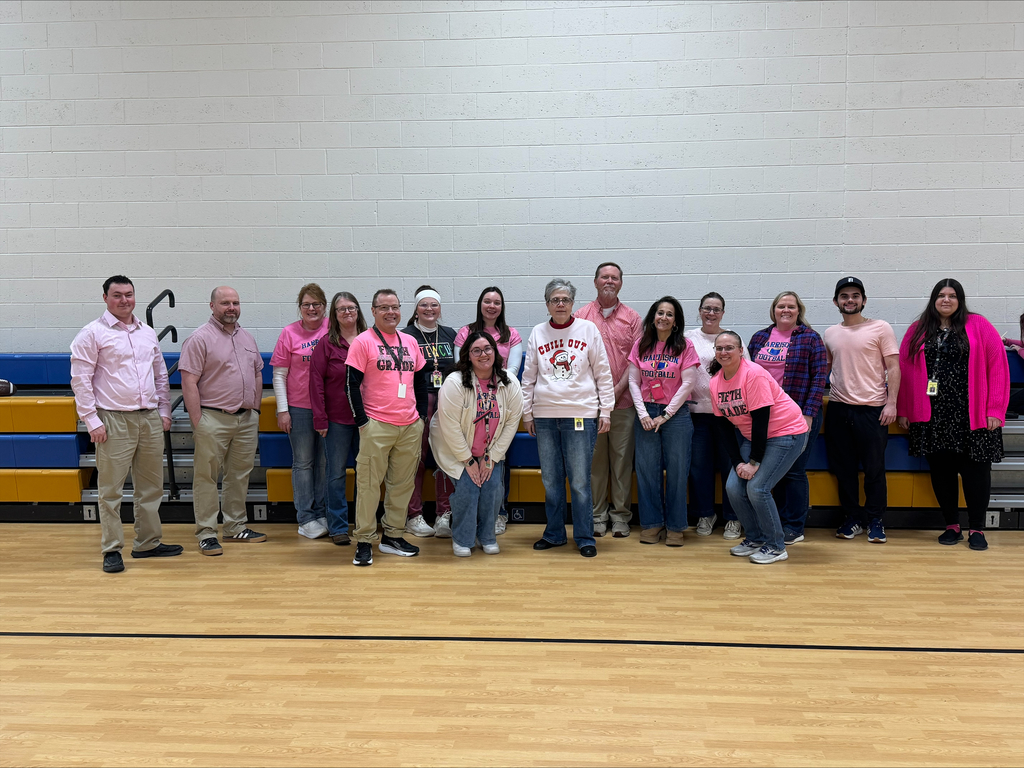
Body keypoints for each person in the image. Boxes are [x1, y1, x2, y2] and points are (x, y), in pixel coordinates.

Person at [70, 275, 182, 573]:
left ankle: (147, 543)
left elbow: (160, 374)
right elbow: (80, 381)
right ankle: (111, 549)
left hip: (148, 419)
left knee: (150, 487)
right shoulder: (92, 334)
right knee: (111, 490)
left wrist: (164, 410)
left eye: (129, 294)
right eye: (117, 295)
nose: (124, 300)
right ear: (105, 298)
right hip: (112, 419)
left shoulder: (146, 333)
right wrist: (91, 420)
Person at [897, 279, 1009, 551]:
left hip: (974, 414)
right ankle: (951, 525)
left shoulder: (979, 325)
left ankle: (977, 528)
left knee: (977, 473)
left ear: (960, 300)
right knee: (942, 472)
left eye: (952, 295)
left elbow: (998, 366)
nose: (946, 300)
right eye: (941, 295)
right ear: (933, 299)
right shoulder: (918, 329)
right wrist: (904, 409)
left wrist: (994, 408)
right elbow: (904, 370)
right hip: (933, 415)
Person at [522, 278, 615, 558]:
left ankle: (585, 536)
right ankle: (554, 534)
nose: (560, 304)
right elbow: (528, 378)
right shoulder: (538, 332)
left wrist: (606, 410)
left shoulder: (588, 329)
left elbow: (603, 372)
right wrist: (528, 413)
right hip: (545, 417)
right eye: (554, 300)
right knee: (551, 480)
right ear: (547, 304)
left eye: (565, 300)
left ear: (573, 303)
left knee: (579, 481)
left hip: (580, 414)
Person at [179, 286, 267, 556]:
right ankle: (206, 532)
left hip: (245, 418)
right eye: (225, 302)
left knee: (238, 475)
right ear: (212, 306)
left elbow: (257, 375)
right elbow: (188, 382)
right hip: (212, 418)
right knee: (206, 477)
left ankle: (234, 526)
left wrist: (255, 410)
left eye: (236, 302)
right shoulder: (199, 339)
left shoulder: (248, 338)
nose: (232, 307)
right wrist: (198, 421)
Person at [710, 331, 809, 565]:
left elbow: (761, 420)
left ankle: (776, 545)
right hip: (752, 437)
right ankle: (755, 538)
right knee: (734, 487)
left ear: (740, 350)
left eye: (729, 348)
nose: (724, 352)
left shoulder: (753, 374)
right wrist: (737, 463)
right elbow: (723, 428)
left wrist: (753, 463)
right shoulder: (715, 383)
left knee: (758, 488)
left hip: (787, 433)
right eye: (719, 348)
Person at [346, 288, 427, 567]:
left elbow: (420, 381)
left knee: (402, 486)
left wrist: (421, 417)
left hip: (409, 425)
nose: (390, 312)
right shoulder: (362, 342)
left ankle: (392, 536)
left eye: (394, 307)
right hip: (376, 424)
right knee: (369, 486)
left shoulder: (410, 341)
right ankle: (365, 540)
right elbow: (351, 384)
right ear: (373, 311)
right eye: (384, 308)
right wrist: (362, 423)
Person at [430, 332, 523, 556]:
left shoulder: (510, 383)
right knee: (468, 488)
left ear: (496, 352)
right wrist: (468, 461)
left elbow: (511, 423)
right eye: (476, 351)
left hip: (489, 450)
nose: (483, 354)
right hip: (455, 448)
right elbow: (449, 426)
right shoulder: (454, 382)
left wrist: (490, 458)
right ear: (468, 356)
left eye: (488, 349)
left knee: (493, 488)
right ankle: (463, 538)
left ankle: (487, 536)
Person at [823, 276, 901, 544]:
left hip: (873, 409)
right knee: (843, 469)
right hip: (838, 409)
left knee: (874, 469)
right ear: (836, 302)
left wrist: (891, 403)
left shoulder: (881, 328)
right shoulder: (830, 333)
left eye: (855, 296)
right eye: (844, 296)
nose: (850, 300)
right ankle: (852, 518)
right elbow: (829, 368)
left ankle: (876, 520)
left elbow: (893, 367)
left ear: (863, 300)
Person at [747, 292, 828, 545]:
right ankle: (774, 522)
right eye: (781, 306)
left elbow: (819, 380)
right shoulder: (760, 337)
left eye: (790, 306)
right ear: (773, 310)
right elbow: (746, 372)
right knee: (773, 470)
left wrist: (809, 414)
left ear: (798, 310)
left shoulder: (810, 338)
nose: (785, 310)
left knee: (793, 470)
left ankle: (794, 525)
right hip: (765, 416)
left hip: (799, 415)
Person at [574, 263, 643, 538]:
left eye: (615, 277)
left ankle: (621, 517)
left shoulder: (633, 318)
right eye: (605, 276)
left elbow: (635, 361)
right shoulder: (580, 316)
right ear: (595, 281)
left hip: (623, 403)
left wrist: (614, 390)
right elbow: (577, 360)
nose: (609, 281)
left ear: (621, 283)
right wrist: (599, 394)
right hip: (590, 405)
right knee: (595, 464)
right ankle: (597, 516)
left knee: (622, 462)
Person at [627, 297, 699, 546]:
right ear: (653, 316)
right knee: (647, 470)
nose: (664, 318)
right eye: (660, 312)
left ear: (676, 321)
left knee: (678, 472)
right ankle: (652, 523)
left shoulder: (685, 346)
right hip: (646, 412)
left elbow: (688, 383)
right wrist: (644, 415)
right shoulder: (640, 345)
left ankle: (676, 526)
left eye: (670, 314)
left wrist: (666, 414)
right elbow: (633, 382)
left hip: (675, 414)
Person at [454, 286, 524, 535]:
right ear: (480, 304)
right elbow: (460, 367)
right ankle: (468, 518)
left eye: (497, 302)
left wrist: (496, 389)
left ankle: (498, 514)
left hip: (500, 400)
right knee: (469, 462)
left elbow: (512, 371)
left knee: (497, 461)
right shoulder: (466, 332)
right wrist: (479, 388)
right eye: (487, 301)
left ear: (502, 306)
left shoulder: (511, 333)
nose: (492, 306)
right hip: (471, 402)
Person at [685, 292, 748, 540]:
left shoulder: (731, 338)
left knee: (731, 466)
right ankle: (705, 513)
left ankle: (733, 518)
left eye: (716, 309)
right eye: (707, 308)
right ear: (699, 310)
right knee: (699, 467)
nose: (711, 313)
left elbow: (746, 373)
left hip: (729, 417)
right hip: (696, 414)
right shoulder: (688, 337)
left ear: (723, 313)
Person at [271, 284, 329, 540]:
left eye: (316, 304)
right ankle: (306, 518)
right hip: (300, 408)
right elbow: (279, 374)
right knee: (304, 463)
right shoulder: (289, 333)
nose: (312, 308)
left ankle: (323, 513)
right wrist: (283, 410)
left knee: (326, 463)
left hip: (329, 409)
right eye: (306, 304)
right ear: (300, 307)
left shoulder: (333, 329)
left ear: (324, 307)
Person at [309, 291, 367, 546]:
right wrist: (320, 419)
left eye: (351, 308)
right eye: (341, 309)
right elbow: (315, 383)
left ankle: (364, 525)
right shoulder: (326, 344)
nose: (347, 312)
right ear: (334, 314)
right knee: (335, 475)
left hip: (367, 420)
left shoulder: (370, 340)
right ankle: (339, 527)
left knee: (366, 474)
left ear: (358, 311)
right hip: (337, 421)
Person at [403, 286, 457, 539]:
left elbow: (458, 370)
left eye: (434, 305)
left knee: (444, 458)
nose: (429, 309)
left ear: (439, 308)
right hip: (418, 403)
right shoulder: (406, 336)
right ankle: (414, 515)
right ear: (416, 308)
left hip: (447, 403)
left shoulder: (450, 334)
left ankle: (443, 514)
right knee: (417, 458)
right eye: (424, 305)